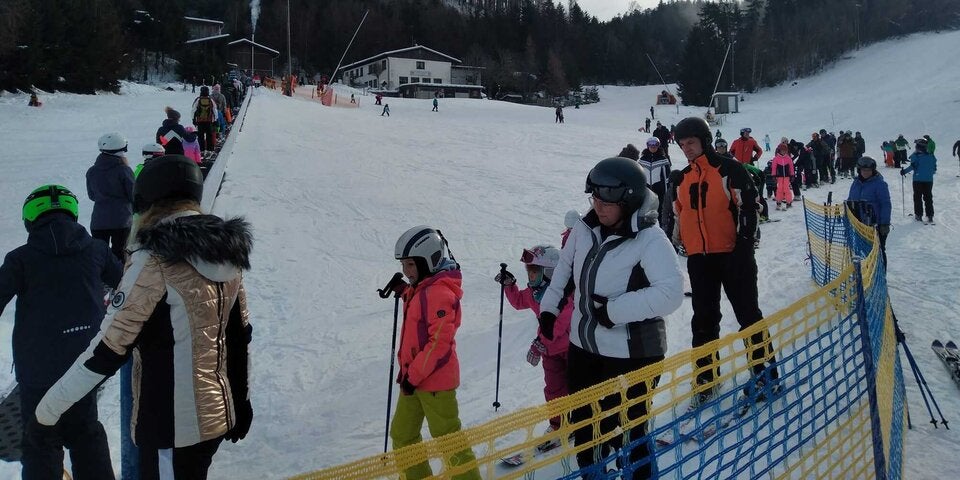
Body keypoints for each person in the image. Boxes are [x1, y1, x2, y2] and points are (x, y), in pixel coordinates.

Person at [36, 155, 254, 480]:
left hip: (169, 425)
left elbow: (106, 350)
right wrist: (241, 401)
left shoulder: (153, 261)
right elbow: (239, 337)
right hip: (214, 416)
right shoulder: (227, 255)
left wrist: (46, 412)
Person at [537, 157, 683, 479]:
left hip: (632, 355)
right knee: (586, 426)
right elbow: (565, 268)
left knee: (631, 428)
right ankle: (594, 474)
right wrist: (549, 307)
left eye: (607, 202)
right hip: (584, 347)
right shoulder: (585, 228)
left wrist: (612, 311)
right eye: (595, 199)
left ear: (628, 200)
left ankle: (638, 474)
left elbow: (670, 292)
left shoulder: (650, 239)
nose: (598, 207)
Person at [0, 185, 121, 480]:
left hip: (38, 368)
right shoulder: (96, 249)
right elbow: (125, 281)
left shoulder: (21, 259)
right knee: (86, 431)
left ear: (31, 218)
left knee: (41, 438)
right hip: (86, 363)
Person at [671, 117, 780, 406]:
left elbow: (749, 208)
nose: (686, 149)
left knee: (748, 315)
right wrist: (682, 244)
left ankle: (765, 374)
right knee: (703, 320)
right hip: (699, 260)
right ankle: (706, 378)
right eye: (682, 145)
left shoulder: (729, 169)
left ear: (704, 141)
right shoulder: (681, 178)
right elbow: (679, 215)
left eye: (691, 143)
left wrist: (743, 248)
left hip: (734, 256)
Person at [389, 226, 481, 480]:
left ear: (428, 261)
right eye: (404, 265)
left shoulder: (440, 293)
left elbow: (439, 343)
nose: (406, 272)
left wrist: (414, 375)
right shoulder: (422, 287)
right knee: (402, 435)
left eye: (410, 265)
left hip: (435, 383)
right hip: (412, 378)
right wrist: (404, 291)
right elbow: (420, 303)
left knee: (449, 441)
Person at [496, 246, 572, 446]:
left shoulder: (564, 293)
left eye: (535, 271)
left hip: (573, 349)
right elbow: (519, 301)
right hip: (550, 352)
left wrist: (540, 342)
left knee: (577, 386)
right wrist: (510, 285)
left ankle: (582, 420)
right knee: (554, 390)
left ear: (549, 272)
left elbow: (559, 324)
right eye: (529, 271)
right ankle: (558, 424)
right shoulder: (534, 293)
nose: (530, 275)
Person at [87, 132, 135, 261]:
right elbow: (133, 194)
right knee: (120, 254)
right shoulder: (123, 170)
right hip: (121, 219)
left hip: (98, 220)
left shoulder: (92, 171)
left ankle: (100, 279)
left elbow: (91, 195)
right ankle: (120, 280)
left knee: (99, 255)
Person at [847, 157, 891, 265]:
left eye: (868, 170)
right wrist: (845, 213)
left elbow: (885, 204)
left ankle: (879, 275)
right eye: (863, 170)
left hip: (875, 224)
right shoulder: (856, 183)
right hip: (859, 223)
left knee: (877, 250)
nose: (866, 173)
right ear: (859, 170)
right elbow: (850, 199)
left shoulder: (879, 184)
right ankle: (864, 274)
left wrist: (884, 223)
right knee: (860, 249)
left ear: (873, 171)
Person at [902, 137, 938, 223]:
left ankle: (919, 215)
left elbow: (913, 166)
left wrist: (904, 171)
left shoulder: (916, 156)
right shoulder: (931, 156)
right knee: (928, 197)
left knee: (917, 197)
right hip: (929, 180)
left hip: (918, 180)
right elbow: (934, 168)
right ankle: (930, 215)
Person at [638, 138, 672, 218]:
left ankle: (661, 226)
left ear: (658, 145)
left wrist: (667, 192)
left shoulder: (663, 160)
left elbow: (667, 177)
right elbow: (639, 175)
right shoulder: (642, 160)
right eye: (651, 144)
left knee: (660, 211)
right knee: (645, 210)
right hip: (646, 190)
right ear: (647, 145)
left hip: (660, 191)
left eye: (655, 144)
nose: (653, 146)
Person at [192, 86, 219, 153]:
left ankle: (201, 149)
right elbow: (215, 110)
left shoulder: (198, 100)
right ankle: (210, 149)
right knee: (209, 135)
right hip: (209, 120)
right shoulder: (210, 100)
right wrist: (215, 119)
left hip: (200, 121)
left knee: (200, 135)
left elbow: (193, 110)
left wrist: (193, 119)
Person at [771, 143, 796, 210]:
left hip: (787, 176)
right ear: (779, 150)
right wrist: (773, 175)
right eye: (782, 150)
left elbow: (791, 167)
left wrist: (792, 175)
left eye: (785, 150)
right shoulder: (776, 158)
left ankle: (789, 202)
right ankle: (778, 201)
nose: (783, 151)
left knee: (786, 189)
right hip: (779, 177)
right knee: (780, 189)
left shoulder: (788, 158)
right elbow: (773, 168)